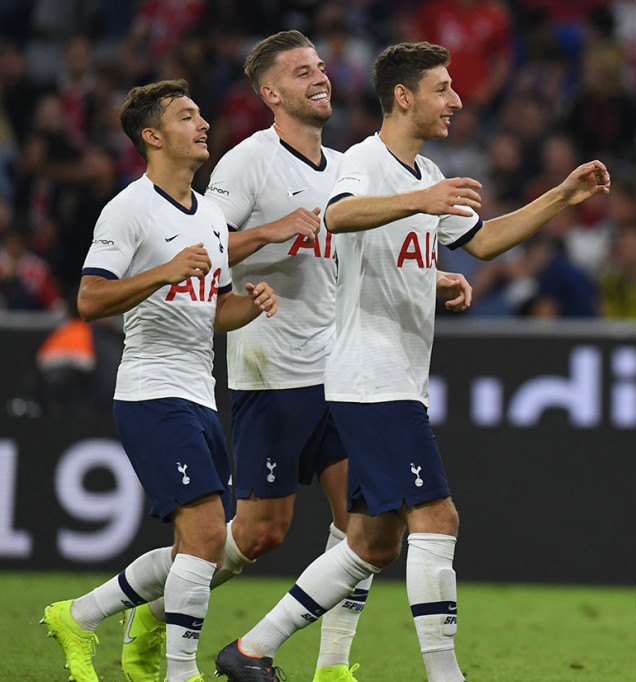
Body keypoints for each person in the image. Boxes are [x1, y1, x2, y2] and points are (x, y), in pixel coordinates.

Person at [213, 41, 609, 682]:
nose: (456, 101)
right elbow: (338, 214)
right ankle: (445, 674)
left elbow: (484, 240)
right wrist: (418, 203)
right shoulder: (365, 162)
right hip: (370, 378)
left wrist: (560, 197)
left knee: (373, 541)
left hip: (396, 376)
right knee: (438, 518)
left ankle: (250, 650)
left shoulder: (425, 172)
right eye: (442, 89)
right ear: (404, 96)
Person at [118, 31, 473, 682]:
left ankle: (331, 664)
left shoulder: (346, 166)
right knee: (259, 533)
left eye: (321, 66)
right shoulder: (247, 164)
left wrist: (430, 277)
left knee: (363, 528)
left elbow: (363, 250)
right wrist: (269, 232)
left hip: (337, 366)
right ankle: (161, 606)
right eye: (302, 71)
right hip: (271, 366)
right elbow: (201, 249)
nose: (320, 77)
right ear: (271, 93)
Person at [40, 79, 277, 682]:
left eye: (200, 114)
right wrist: (163, 271)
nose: (203, 124)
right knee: (205, 536)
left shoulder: (213, 217)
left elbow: (214, 310)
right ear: (152, 136)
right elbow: (89, 300)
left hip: (200, 394)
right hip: (151, 390)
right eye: (186, 116)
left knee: (201, 547)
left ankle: (78, 614)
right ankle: (180, 672)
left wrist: (250, 305)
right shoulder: (129, 208)